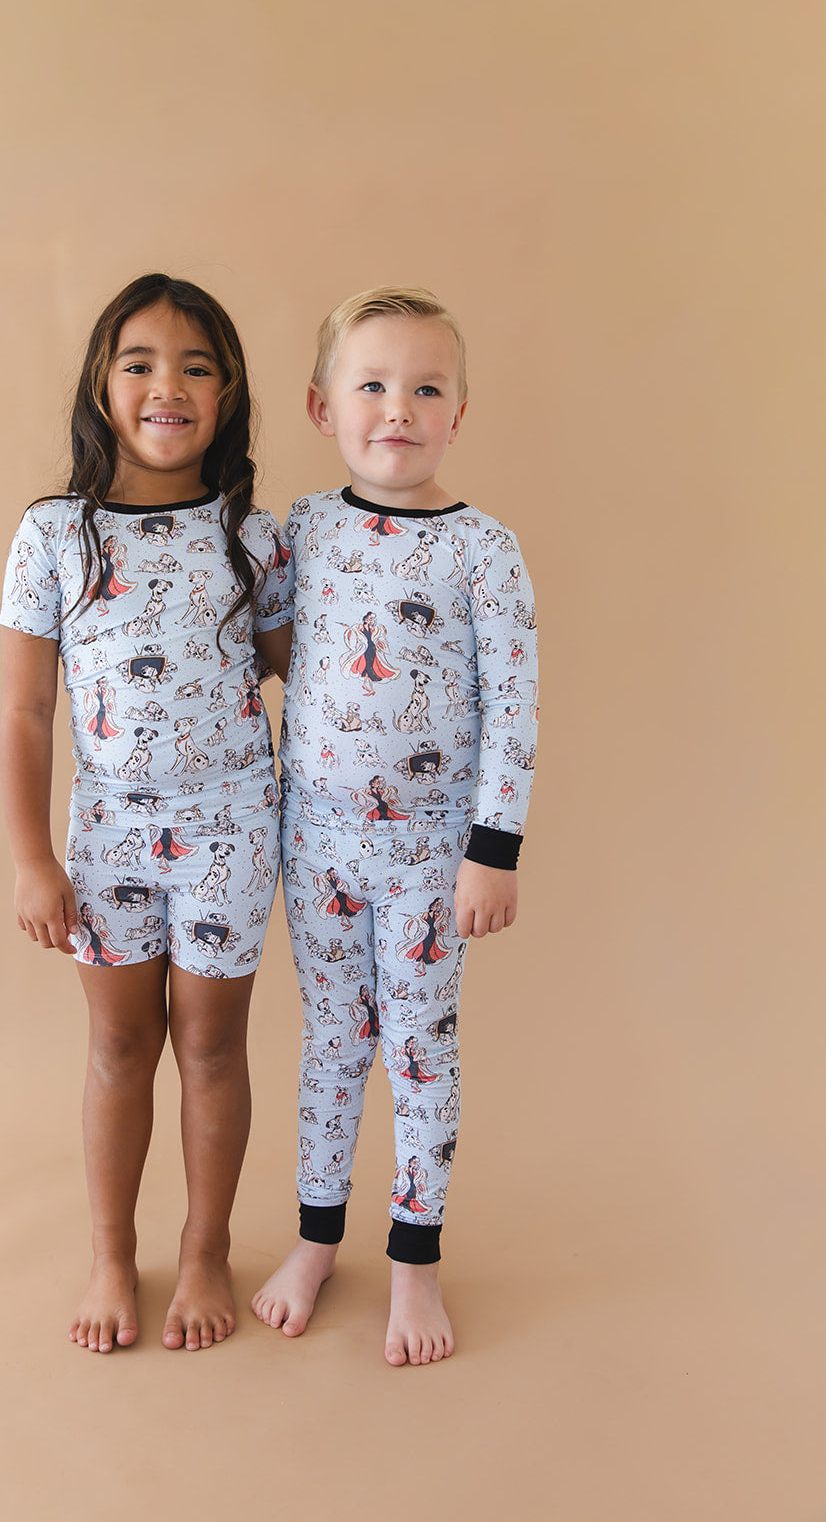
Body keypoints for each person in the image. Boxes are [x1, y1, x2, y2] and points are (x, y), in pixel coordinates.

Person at [0, 273, 293, 1354]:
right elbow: (27, 711)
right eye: (140, 363)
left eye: (195, 367)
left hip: (231, 833)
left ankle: (207, 1248)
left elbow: (301, 675)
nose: (167, 385)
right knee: (119, 1044)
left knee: (212, 1047)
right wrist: (34, 858)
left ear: (227, 395)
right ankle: (112, 1255)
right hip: (108, 839)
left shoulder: (252, 537)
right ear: (101, 384)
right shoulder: (53, 536)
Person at [251, 286, 538, 1366]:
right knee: (331, 1042)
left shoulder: (483, 550)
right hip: (313, 846)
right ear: (322, 407)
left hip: (428, 858)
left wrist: (491, 850)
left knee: (418, 1049)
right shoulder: (306, 529)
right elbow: (271, 649)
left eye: (425, 389)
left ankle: (414, 1261)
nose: (397, 410)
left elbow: (512, 705)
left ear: (458, 413)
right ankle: (316, 1238)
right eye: (371, 385)